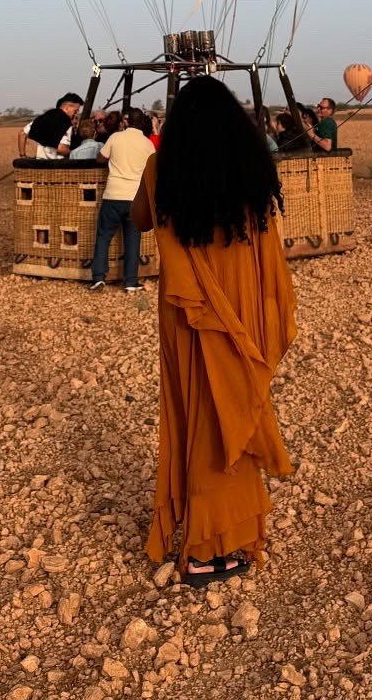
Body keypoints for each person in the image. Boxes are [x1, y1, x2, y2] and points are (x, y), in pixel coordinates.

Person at [131, 77, 296, 586]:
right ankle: (232, 540)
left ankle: (205, 547)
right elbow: (268, 246)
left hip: (190, 312)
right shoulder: (252, 168)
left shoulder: (163, 168)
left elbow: (139, 220)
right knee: (237, 408)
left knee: (201, 412)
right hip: (244, 306)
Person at [88, 109, 154, 292]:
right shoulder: (148, 144)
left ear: (126, 122)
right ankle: (131, 282)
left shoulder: (115, 138)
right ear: (142, 123)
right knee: (133, 239)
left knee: (103, 236)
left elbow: (101, 158)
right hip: (135, 197)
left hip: (114, 195)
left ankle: (99, 277)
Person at [26, 92, 83, 160]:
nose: (76, 113)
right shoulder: (66, 123)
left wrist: (23, 155)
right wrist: (74, 154)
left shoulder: (43, 118)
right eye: (75, 111)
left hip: (41, 163)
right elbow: (61, 149)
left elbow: (22, 133)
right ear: (67, 107)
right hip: (56, 164)